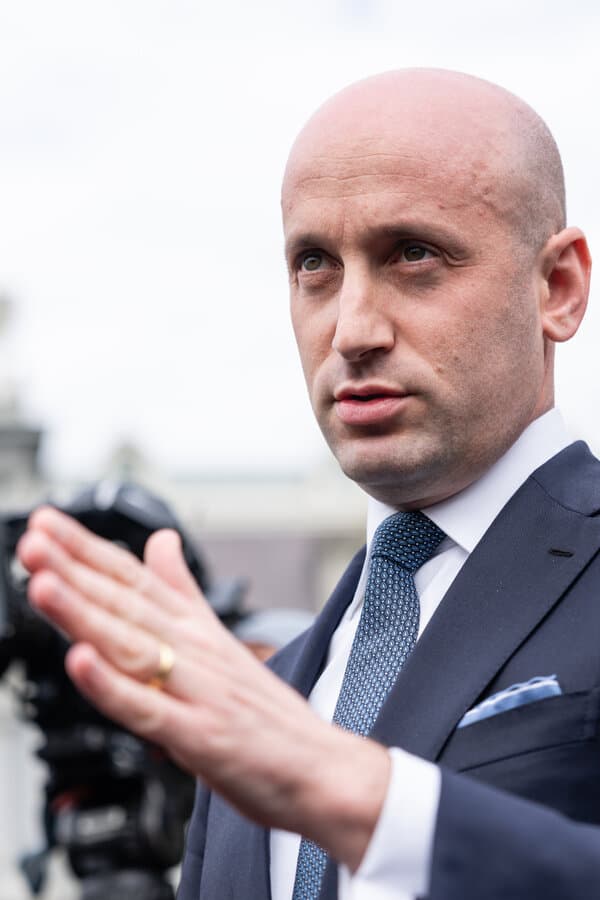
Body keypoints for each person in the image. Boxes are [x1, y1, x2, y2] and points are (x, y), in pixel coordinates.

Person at [16, 68, 600, 900]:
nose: (353, 330)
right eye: (315, 264)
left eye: (414, 254)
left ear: (559, 287)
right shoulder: (259, 704)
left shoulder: (263, 731)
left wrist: (354, 796)